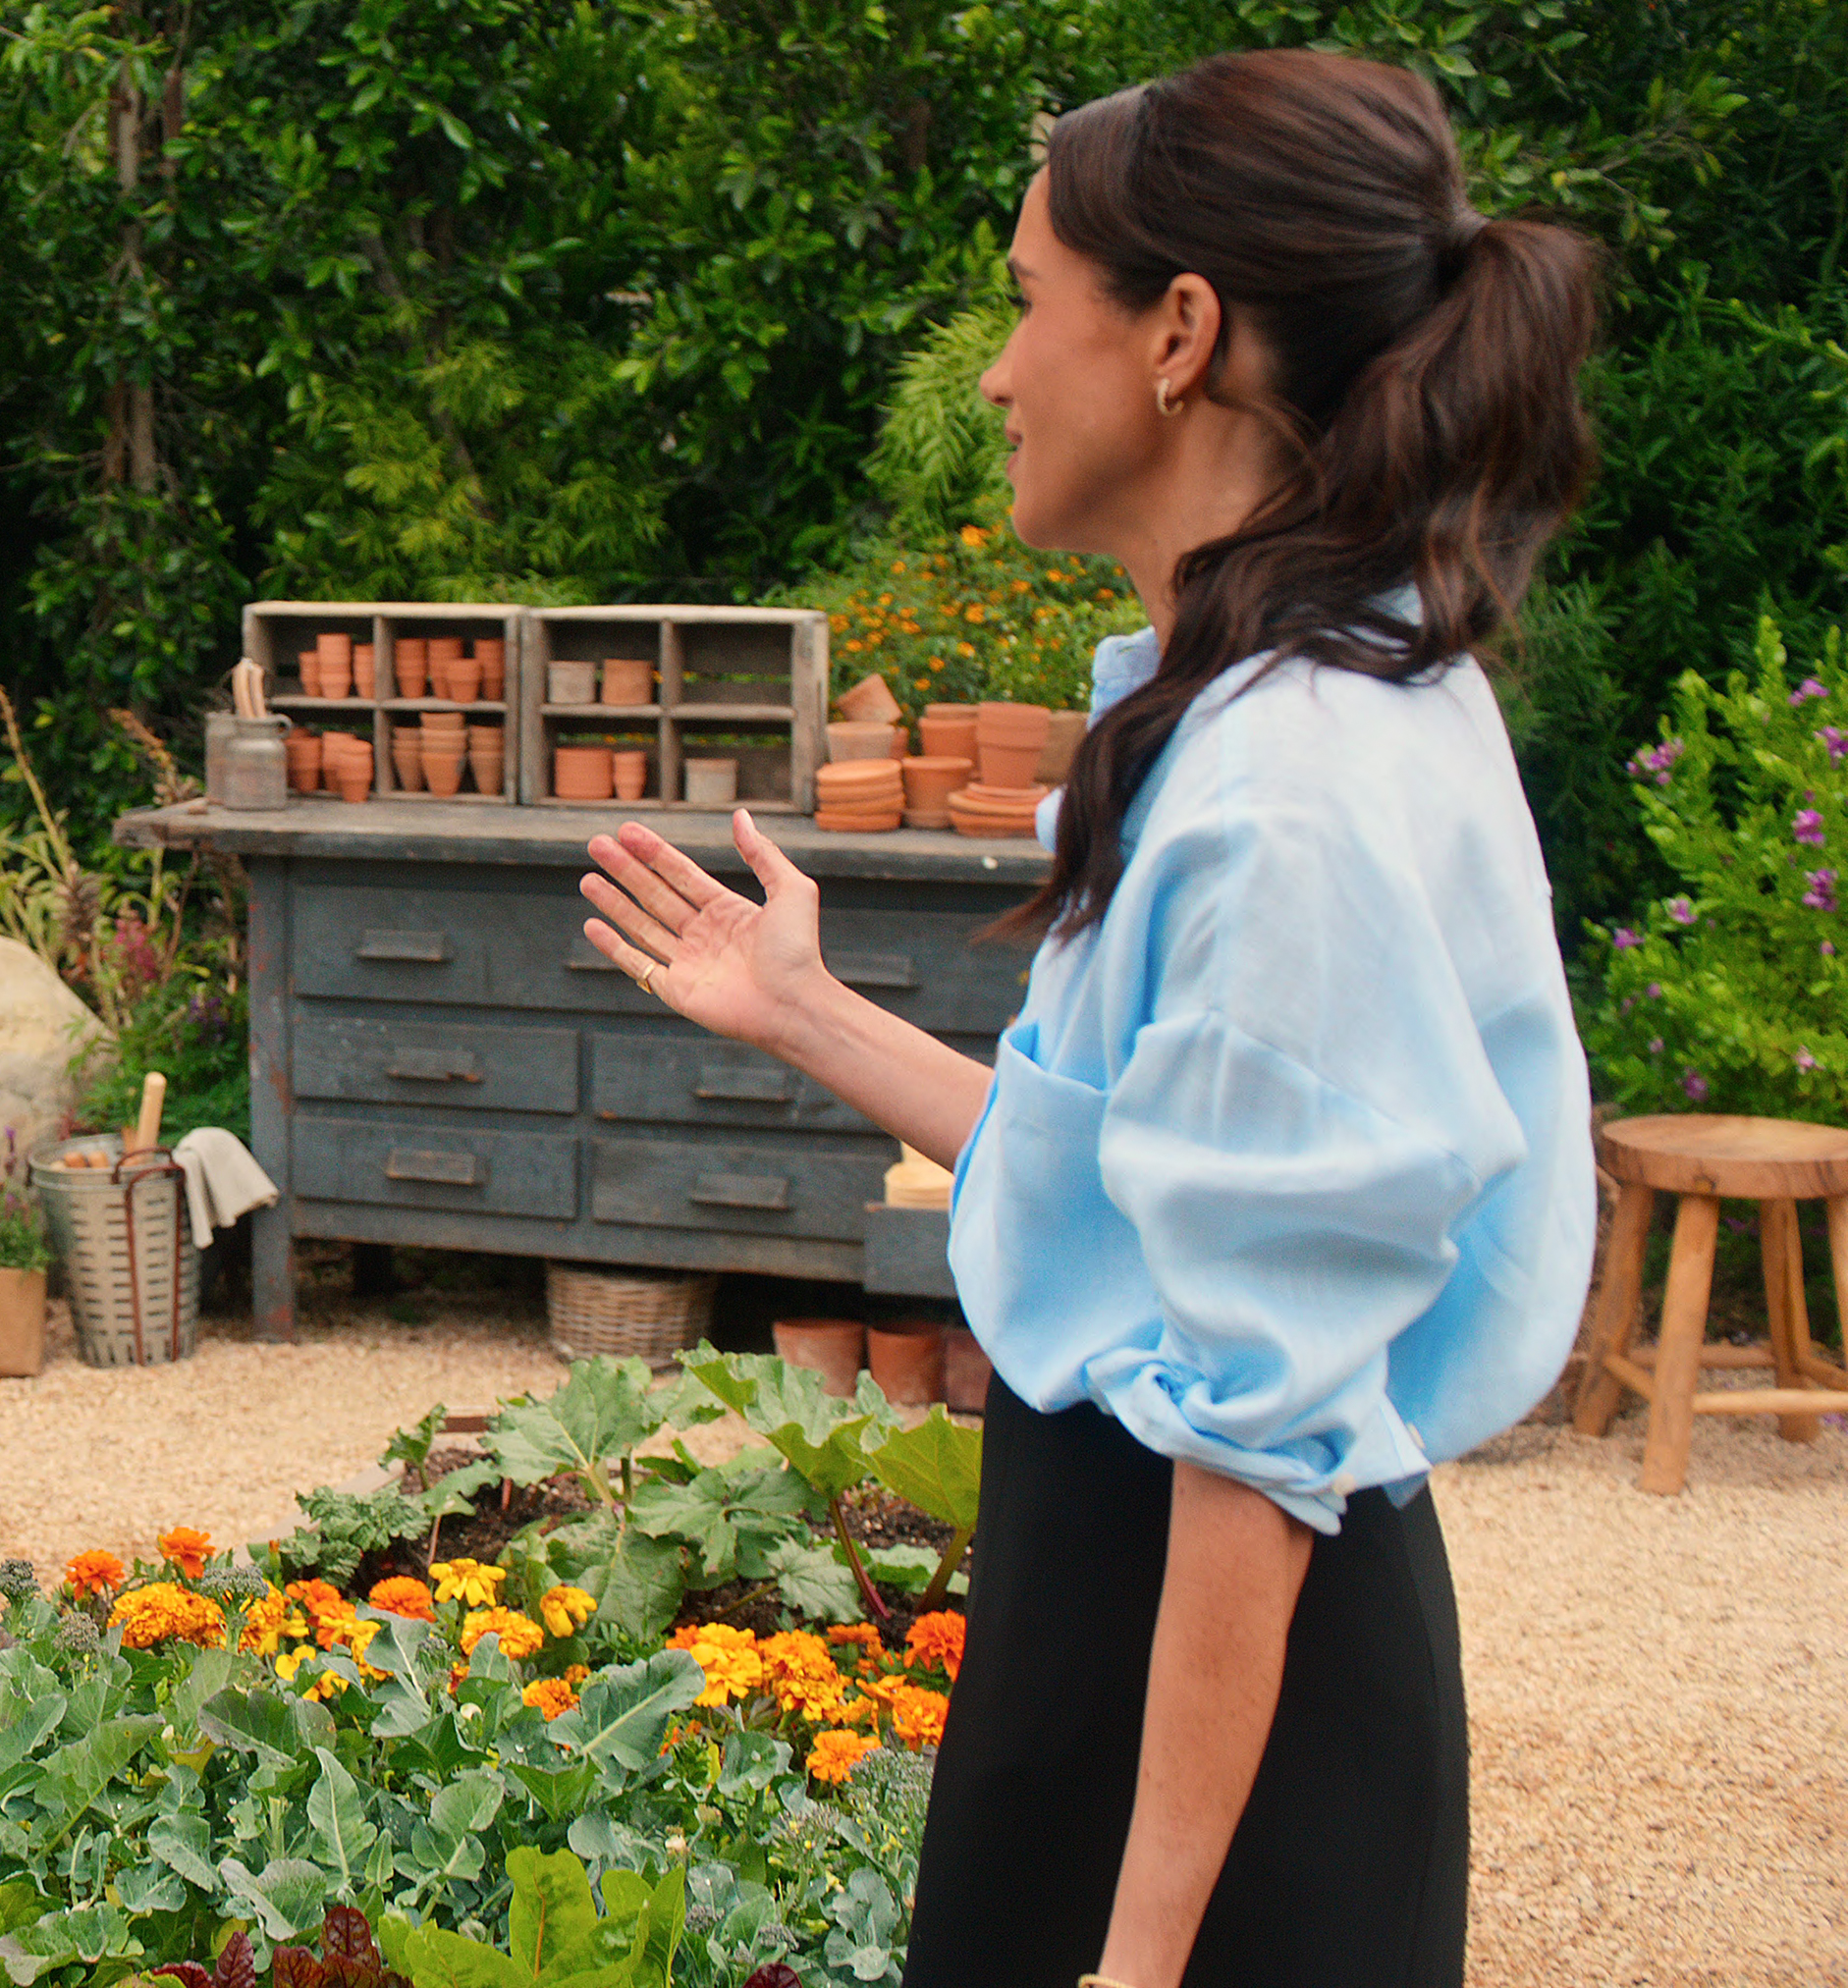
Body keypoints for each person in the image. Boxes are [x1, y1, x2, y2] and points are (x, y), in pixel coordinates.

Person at [576, 50, 1597, 1988]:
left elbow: (1254, 1443)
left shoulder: (1288, 781)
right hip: (1138, 1637)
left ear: (1178, 335)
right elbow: (1143, 1185)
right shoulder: (1276, 694)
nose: (995, 368)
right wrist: (809, 1011)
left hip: (1221, 1720)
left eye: (1032, 297)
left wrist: (1134, 1962)